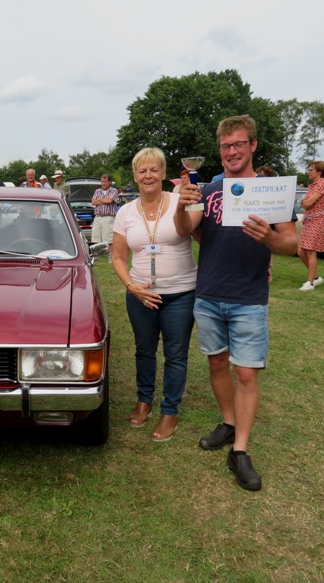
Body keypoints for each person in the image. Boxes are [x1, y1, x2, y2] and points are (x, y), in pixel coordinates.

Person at [175, 114, 298, 491]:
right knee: (216, 365)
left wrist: (269, 240)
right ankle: (228, 423)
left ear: (253, 146)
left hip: (248, 297)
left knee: (245, 373)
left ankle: (240, 451)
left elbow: (291, 244)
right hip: (209, 293)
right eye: (226, 146)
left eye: (239, 144)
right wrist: (181, 206)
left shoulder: (272, 190)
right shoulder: (209, 189)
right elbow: (187, 231)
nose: (231, 152)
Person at [112, 147, 197, 443]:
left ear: (163, 173)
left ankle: (169, 410)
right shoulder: (124, 212)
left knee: (176, 354)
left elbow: (195, 232)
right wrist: (130, 286)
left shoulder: (179, 201)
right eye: (142, 170)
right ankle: (144, 399)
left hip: (180, 293)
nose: (148, 175)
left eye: (154, 170)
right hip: (140, 294)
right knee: (144, 349)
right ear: (135, 176)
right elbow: (119, 257)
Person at [297, 161, 324, 291]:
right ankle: (316, 277)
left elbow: (309, 203)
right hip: (309, 220)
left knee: (311, 251)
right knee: (301, 251)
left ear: (319, 172)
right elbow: (303, 203)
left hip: (317, 220)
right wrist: (305, 203)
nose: (308, 172)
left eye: (311, 170)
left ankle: (310, 283)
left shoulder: (322, 184)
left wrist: (305, 202)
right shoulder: (312, 186)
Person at [91, 174, 119, 260]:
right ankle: (97, 256)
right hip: (98, 216)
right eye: (102, 181)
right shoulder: (97, 191)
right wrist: (104, 200)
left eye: (105, 181)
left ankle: (111, 256)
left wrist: (99, 199)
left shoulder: (114, 191)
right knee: (96, 236)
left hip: (108, 217)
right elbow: (93, 202)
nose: (103, 183)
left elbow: (110, 200)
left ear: (110, 182)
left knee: (109, 238)